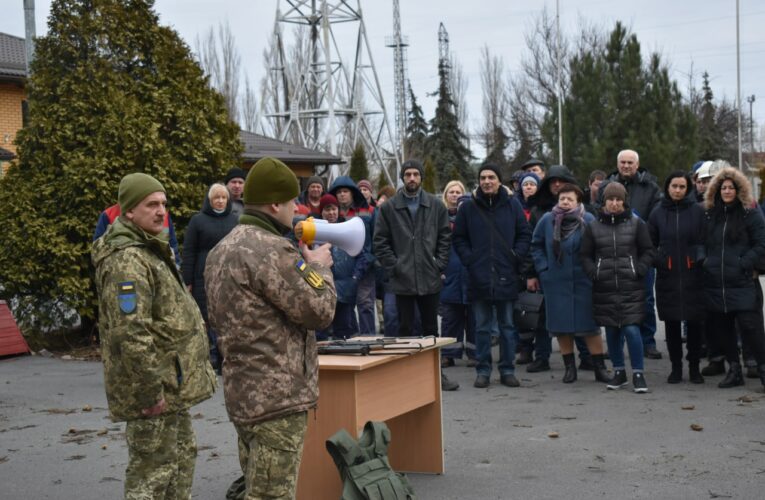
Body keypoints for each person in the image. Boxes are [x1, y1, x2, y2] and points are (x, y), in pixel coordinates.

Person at [204, 157, 336, 498]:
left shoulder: (221, 250)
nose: (296, 209)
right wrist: (319, 268)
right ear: (275, 203)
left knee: (255, 487)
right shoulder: (273, 250)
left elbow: (217, 320)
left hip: (242, 394)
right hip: (278, 399)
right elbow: (320, 310)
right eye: (293, 202)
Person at [92, 173, 216, 499]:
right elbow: (131, 333)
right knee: (151, 478)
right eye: (151, 204)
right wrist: (150, 395)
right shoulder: (127, 260)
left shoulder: (149, 248)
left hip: (170, 388)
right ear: (129, 211)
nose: (161, 211)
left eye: (163, 203)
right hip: (154, 394)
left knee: (178, 465)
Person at [374, 159, 458, 391]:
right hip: (402, 280)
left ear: (421, 177)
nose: (412, 178)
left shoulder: (435, 206)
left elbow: (444, 237)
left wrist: (438, 264)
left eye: (416, 174)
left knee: (431, 328)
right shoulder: (389, 208)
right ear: (402, 177)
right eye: (408, 174)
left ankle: (435, 374)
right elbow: (380, 242)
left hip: (429, 277)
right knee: (405, 329)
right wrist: (396, 265)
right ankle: (405, 376)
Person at [453, 163, 532, 388]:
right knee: (482, 328)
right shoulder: (468, 208)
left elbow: (525, 234)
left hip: (506, 273)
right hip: (479, 276)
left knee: (507, 326)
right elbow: (459, 237)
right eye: (483, 177)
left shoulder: (512, 205)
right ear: (479, 181)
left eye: (491, 177)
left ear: (499, 180)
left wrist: (516, 256)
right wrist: (470, 259)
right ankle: (483, 370)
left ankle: (507, 369)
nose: (487, 181)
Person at [531, 183, 610, 383]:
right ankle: (569, 368)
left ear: (578, 202)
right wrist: (543, 269)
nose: (565, 202)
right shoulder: (547, 220)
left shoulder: (588, 219)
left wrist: (594, 270)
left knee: (590, 327)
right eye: (562, 198)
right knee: (561, 327)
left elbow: (600, 246)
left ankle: (599, 368)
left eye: (570, 199)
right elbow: (536, 245)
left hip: (584, 281)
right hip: (555, 282)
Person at [581, 182, 656, 393]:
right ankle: (619, 371)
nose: (614, 203)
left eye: (618, 199)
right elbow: (585, 255)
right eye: (610, 199)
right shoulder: (593, 226)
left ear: (624, 201)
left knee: (632, 330)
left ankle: (638, 373)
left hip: (631, 286)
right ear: (604, 202)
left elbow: (648, 250)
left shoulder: (636, 223)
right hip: (604, 287)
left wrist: (639, 269)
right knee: (612, 331)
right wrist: (593, 272)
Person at [701, 166, 765, 390]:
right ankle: (734, 370)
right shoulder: (710, 214)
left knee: (752, 328)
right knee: (723, 329)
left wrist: (743, 263)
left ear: (739, 190)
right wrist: (705, 261)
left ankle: (763, 368)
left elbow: (761, 244)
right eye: (723, 187)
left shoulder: (750, 213)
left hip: (743, 281)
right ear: (717, 190)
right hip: (716, 283)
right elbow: (700, 242)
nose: (727, 191)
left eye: (731, 187)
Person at [597, 149, 663, 359]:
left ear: (637, 164)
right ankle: (616, 344)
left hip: (641, 250)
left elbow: (655, 220)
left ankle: (648, 342)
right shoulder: (606, 187)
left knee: (646, 299)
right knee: (614, 299)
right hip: (612, 250)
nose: (626, 166)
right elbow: (598, 213)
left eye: (630, 163)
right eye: (623, 162)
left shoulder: (651, 187)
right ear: (617, 164)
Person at [647, 171, 706, 384]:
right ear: (667, 187)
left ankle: (694, 367)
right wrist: (661, 260)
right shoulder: (657, 213)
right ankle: (676, 367)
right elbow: (649, 244)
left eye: (682, 187)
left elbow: (704, 239)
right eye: (674, 186)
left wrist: (698, 257)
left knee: (695, 325)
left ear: (688, 189)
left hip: (693, 276)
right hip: (668, 276)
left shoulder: (697, 212)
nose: (678, 190)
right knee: (671, 324)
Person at [524, 164, 583, 373]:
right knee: (544, 316)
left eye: (561, 181)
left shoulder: (584, 210)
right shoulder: (539, 211)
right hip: (550, 274)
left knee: (581, 315)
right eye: (552, 181)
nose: (557, 185)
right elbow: (533, 243)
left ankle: (587, 357)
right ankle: (542, 356)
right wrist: (536, 271)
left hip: (577, 273)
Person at [182, 183, 239, 372]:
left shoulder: (235, 221)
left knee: (226, 318)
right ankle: (207, 359)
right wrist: (187, 280)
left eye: (224, 197)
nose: (221, 201)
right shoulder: (198, 221)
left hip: (229, 278)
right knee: (205, 319)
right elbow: (189, 251)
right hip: (202, 277)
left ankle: (225, 359)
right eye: (217, 197)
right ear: (209, 200)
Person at [329, 176, 376, 336]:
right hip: (343, 267)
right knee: (344, 305)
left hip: (366, 264)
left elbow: (375, 237)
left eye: (345, 191)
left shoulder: (367, 211)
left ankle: (369, 341)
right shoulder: (332, 214)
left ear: (352, 193)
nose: (342, 195)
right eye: (339, 192)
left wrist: (370, 258)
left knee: (365, 305)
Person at [439, 181, 475, 367]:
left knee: (474, 318)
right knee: (450, 318)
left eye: (458, 192)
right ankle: (448, 353)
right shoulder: (441, 219)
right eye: (451, 192)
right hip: (450, 275)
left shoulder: (474, 220)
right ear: (446, 195)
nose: (454, 195)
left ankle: (474, 353)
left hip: (470, 274)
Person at [316, 193, 361, 340]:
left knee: (343, 332)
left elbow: (361, 254)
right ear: (321, 212)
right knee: (320, 333)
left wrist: (354, 278)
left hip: (344, 290)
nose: (331, 213)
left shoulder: (348, 228)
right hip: (321, 289)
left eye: (334, 209)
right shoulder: (314, 231)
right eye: (327, 209)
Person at [93, 202, 181, 266]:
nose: (161, 211)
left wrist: (176, 266)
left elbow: (173, 244)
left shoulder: (164, 215)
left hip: (163, 273)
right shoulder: (108, 214)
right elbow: (98, 250)